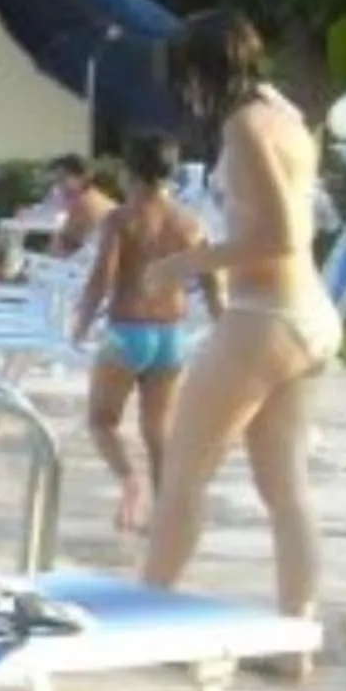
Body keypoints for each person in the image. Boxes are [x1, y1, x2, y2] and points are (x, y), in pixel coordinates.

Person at [141, 12, 339, 670]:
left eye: (186, 77)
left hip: (266, 316)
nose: (185, 92)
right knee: (285, 487)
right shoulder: (285, 114)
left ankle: (146, 615)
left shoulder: (245, 125)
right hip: (307, 316)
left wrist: (184, 263)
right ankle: (295, 643)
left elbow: (282, 235)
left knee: (184, 472)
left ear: (204, 71)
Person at [72, 135, 217, 535]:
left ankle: (130, 480)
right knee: (158, 432)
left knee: (102, 422)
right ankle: (166, 518)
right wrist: (223, 327)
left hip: (127, 331)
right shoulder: (190, 222)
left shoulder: (121, 219)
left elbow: (102, 278)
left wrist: (81, 324)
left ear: (128, 172)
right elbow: (212, 281)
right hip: (171, 335)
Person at [45, 154, 120, 259]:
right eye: (55, 181)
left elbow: (60, 248)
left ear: (81, 177)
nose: (58, 186)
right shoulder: (98, 197)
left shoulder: (84, 204)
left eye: (61, 178)